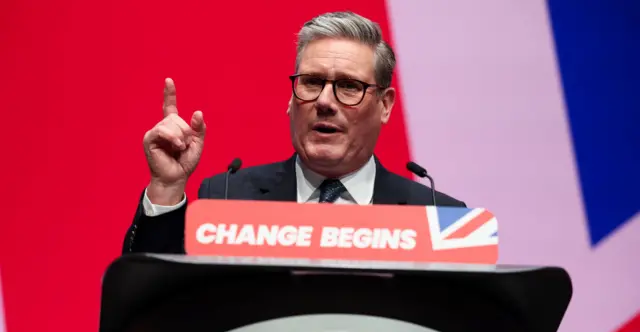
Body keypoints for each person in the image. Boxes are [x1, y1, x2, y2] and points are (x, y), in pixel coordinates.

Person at [122, 11, 465, 254]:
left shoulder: (439, 219)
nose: (325, 101)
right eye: (312, 82)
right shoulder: (229, 200)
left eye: (348, 86)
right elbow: (158, 305)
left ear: (385, 105)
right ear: (291, 98)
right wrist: (166, 188)